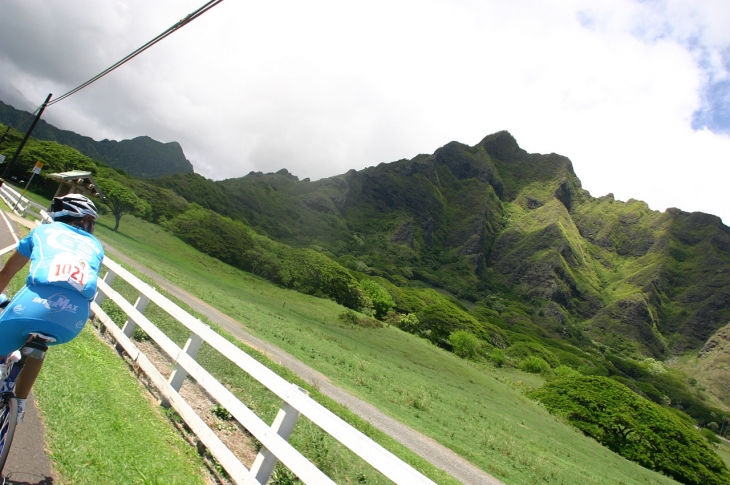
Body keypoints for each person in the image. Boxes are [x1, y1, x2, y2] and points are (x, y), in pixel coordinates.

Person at [0, 193, 104, 422]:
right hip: (73, 320)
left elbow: (6, 274)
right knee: (41, 343)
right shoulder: (96, 246)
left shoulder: (42, 231)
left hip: (32, 305)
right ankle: (19, 407)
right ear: (88, 220)